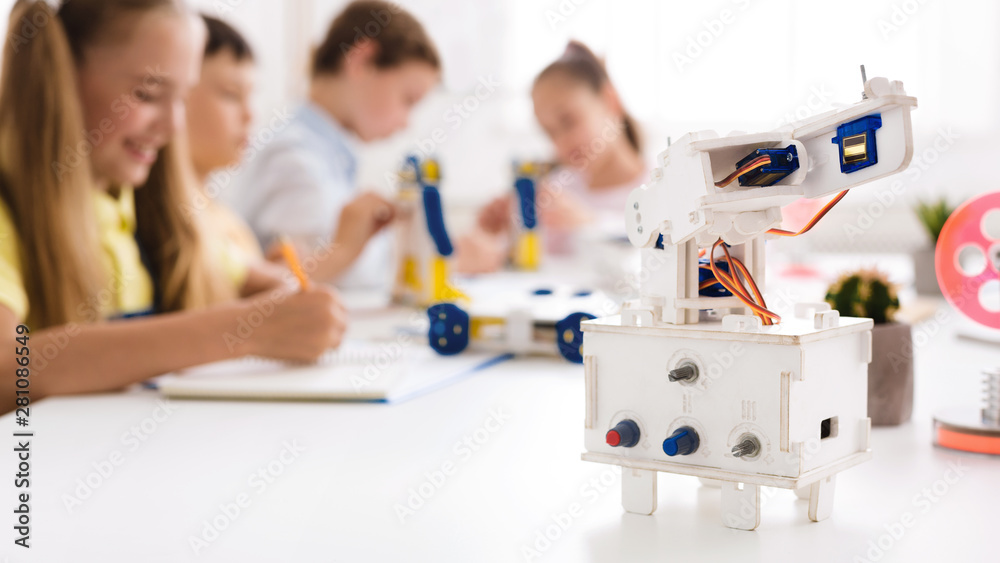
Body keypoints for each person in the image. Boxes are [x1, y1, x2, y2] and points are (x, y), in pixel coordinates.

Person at [0, 0, 346, 413]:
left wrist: (293, 306)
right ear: (58, 80)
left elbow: (262, 282)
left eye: (182, 98)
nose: (173, 126)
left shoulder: (145, 209)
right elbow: (8, 369)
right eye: (147, 93)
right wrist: (243, 331)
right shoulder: (10, 211)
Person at [224, 0, 441, 289]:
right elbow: (312, 282)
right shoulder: (293, 158)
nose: (406, 122)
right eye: (408, 100)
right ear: (362, 61)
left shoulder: (327, 154)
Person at [458, 41, 648, 273]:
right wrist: (501, 235)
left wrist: (590, 225)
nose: (561, 144)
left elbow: (659, 261)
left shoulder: (662, 189)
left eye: (568, 121)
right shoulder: (555, 192)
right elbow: (524, 271)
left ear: (610, 101)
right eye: (549, 132)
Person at [185, 14, 262, 263]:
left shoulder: (224, 219)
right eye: (231, 95)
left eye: (250, 96)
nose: (250, 114)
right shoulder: (162, 225)